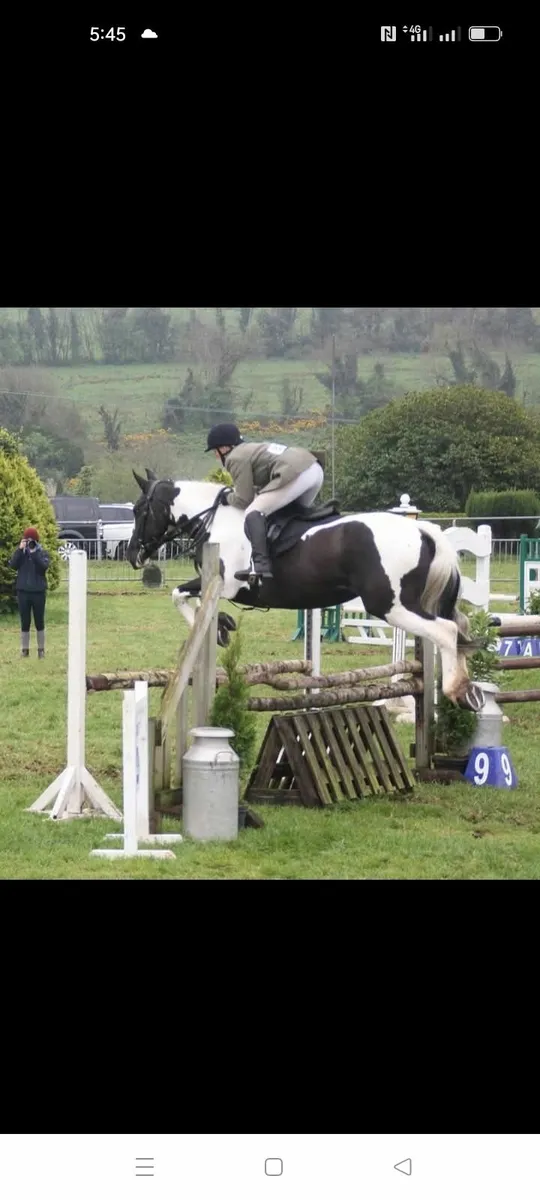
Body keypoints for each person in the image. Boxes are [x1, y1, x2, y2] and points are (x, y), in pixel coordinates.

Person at [205, 422, 324, 582]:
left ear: (225, 448)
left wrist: (226, 498)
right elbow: (259, 488)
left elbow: (243, 499)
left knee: (253, 512)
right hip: (314, 469)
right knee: (288, 515)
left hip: (297, 473)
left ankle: (259, 565)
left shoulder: (235, 457)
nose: (216, 456)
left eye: (216, 451)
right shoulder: (250, 449)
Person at [8, 527, 50, 657]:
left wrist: (34, 552)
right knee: (25, 622)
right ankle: (25, 650)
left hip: (38, 592)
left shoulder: (42, 552)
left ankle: (41, 650)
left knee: (39, 621)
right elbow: (13, 565)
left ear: (37, 541)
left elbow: (43, 567)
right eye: (27, 540)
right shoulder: (21, 554)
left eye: (32, 540)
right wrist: (20, 550)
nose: (30, 543)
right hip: (23, 592)